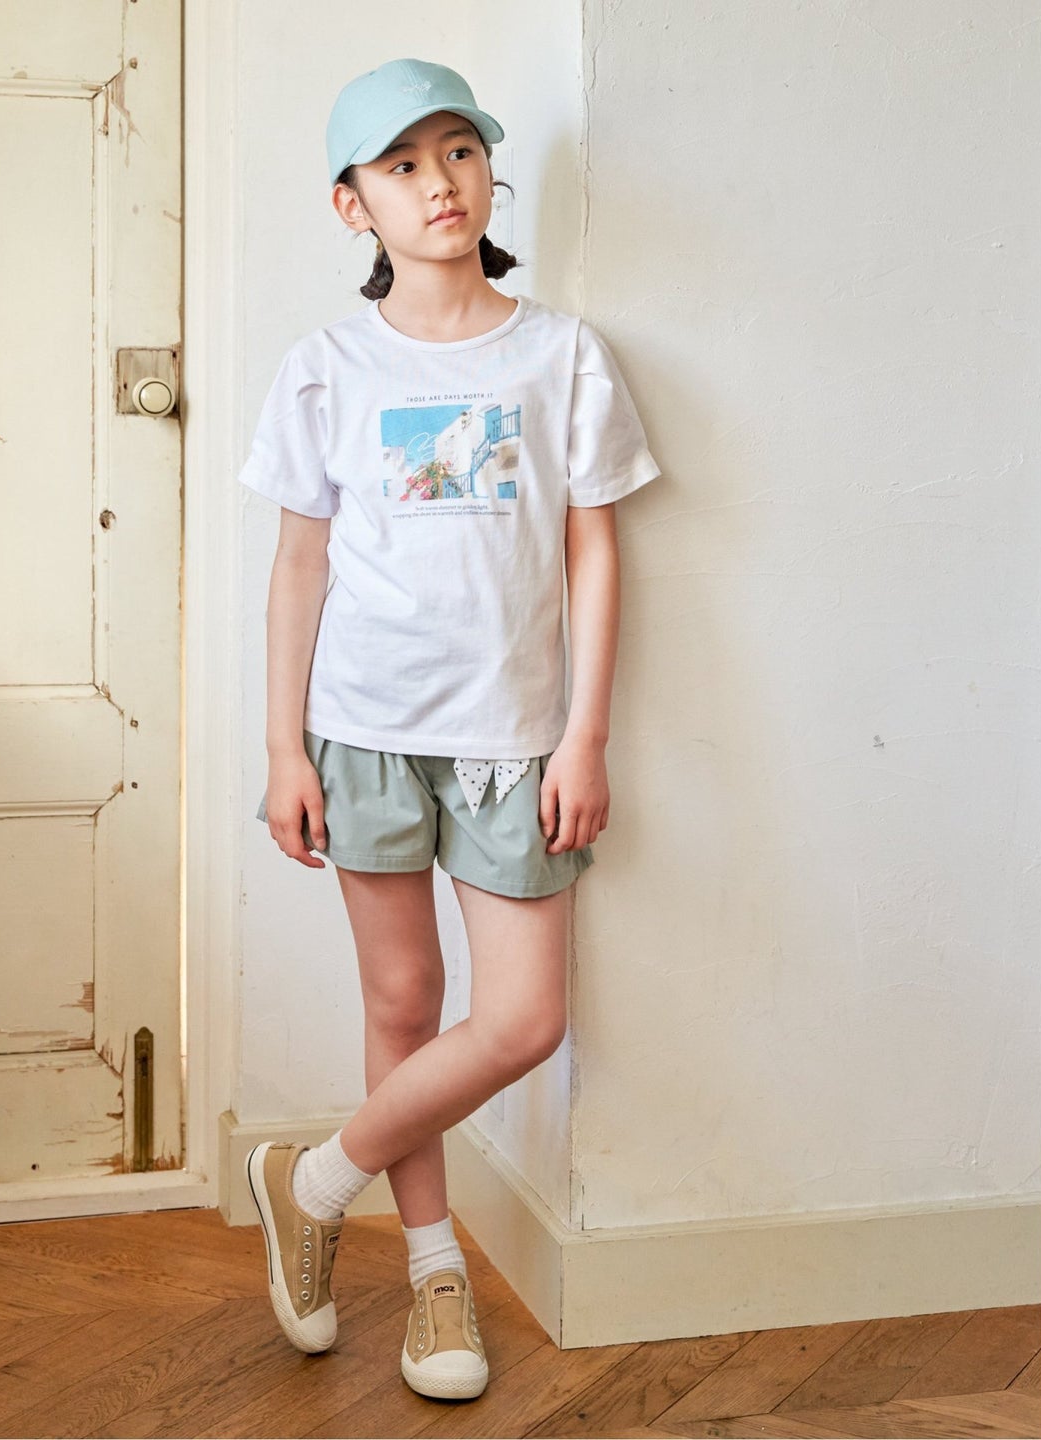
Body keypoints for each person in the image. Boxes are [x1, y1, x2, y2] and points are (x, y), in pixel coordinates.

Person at [239, 57, 661, 1402]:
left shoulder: (561, 354)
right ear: (352, 204)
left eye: (460, 153)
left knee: (522, 1017)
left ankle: (312, 1182)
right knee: (404, 1003)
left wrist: (584, 736)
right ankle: (434, 1272)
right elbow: (298, 566)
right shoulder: (327, 369)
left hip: (514, 739)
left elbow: (595, 553)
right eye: (404, 165)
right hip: (362, 729)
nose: (441, 184)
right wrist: (284, 749)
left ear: (488, 171)